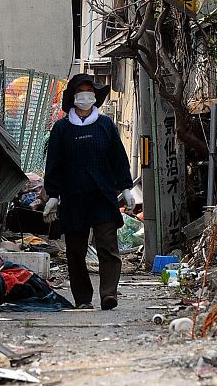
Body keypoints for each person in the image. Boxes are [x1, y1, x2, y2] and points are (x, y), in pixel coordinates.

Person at [42, 74, 135, 310]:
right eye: (81, 91)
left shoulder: (105, 126)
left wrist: (126, 188)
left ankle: (108, 295)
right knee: (75, 253)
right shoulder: (62, 129)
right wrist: (53, 195)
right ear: (73, 97)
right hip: (73, 199)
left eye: (89, 90)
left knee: (108, 248)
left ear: (95, 96)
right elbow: (53, 163)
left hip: (103, 197)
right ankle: (83, 298)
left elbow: (119, 159)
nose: (85, 95)